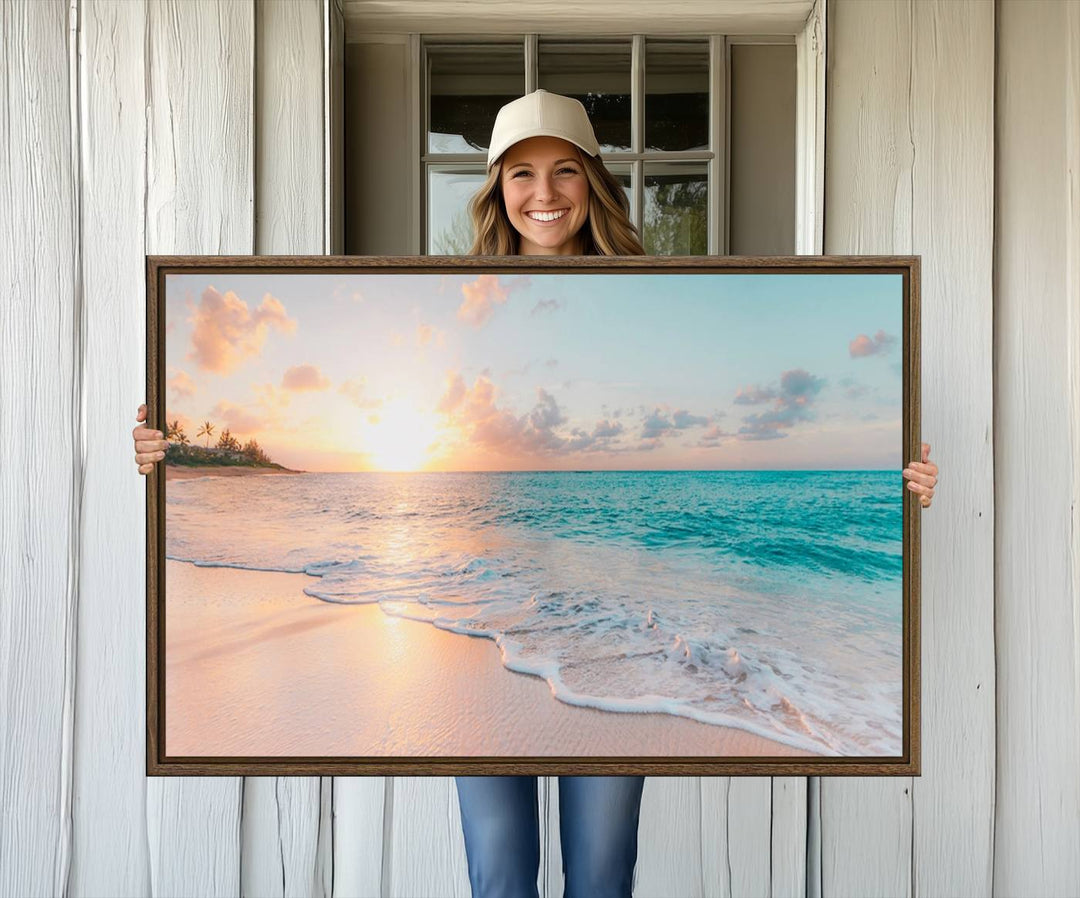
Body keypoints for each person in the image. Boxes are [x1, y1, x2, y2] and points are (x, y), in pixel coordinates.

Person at [131, 89, 940, 897]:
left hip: (616, 629)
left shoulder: (657, 297)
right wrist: (163, 448)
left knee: (600, 875)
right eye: (521, 173)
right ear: (496, 189)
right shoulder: (450, 302)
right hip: (480, 609)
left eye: (564, 171)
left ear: (593, 181)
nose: (544, 193)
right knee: (500, 874)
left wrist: (896, 482)